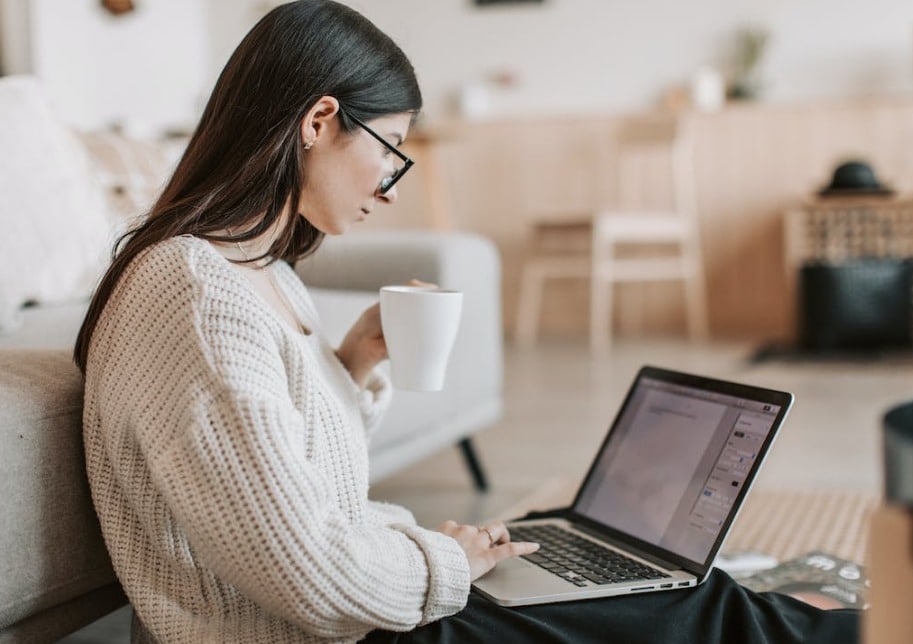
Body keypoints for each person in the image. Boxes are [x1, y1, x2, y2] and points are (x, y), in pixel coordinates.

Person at [74, 1, 860, 642]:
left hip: (358, 612)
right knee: (698, 609)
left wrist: (346, 373)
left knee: (678, 593)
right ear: (318, 119)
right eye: (392, 152)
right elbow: (307, 574)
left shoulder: (258, 274)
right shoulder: (197, 293)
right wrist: (443, 562)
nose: (389, 186)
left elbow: (298, 494)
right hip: (328, 631)